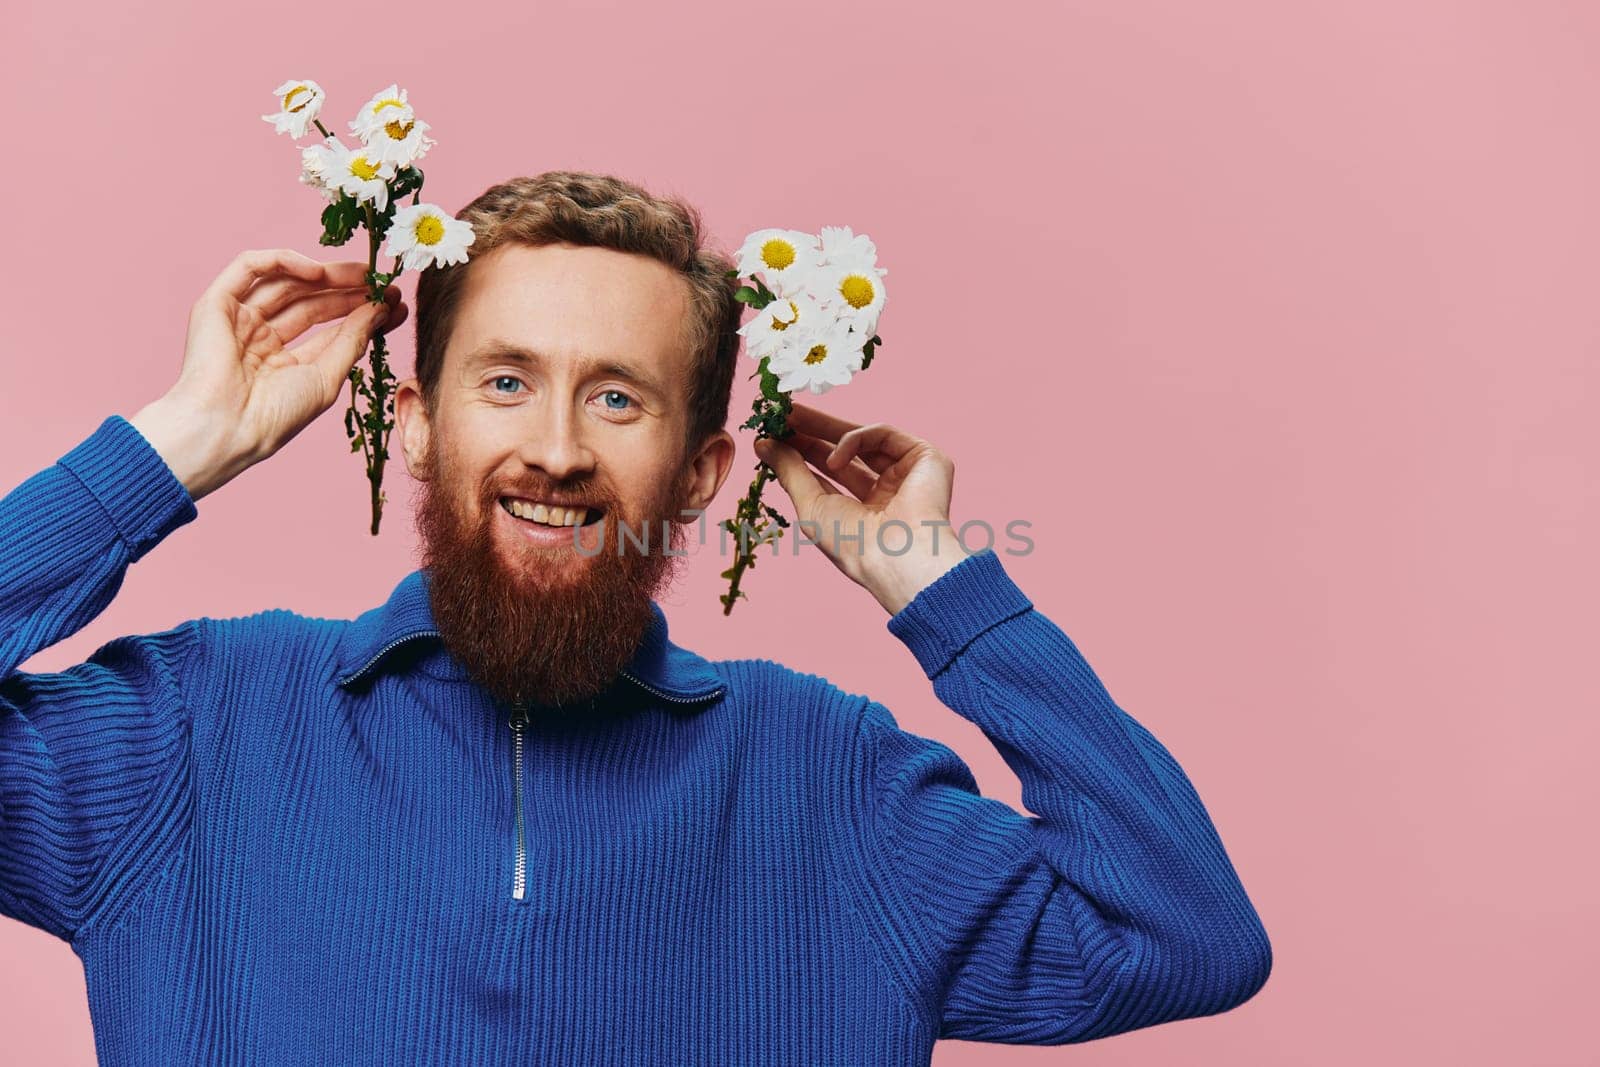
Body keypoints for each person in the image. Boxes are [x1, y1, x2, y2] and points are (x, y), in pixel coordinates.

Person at [0, 171, 1271, 1064]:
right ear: (426, 420)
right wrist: (178, 444)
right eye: (506, 381)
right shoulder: (194, 728)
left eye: (618, 399)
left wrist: (933, 581)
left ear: (702, 472)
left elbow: (1182, 932)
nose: (553, 449)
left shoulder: (829, 779)